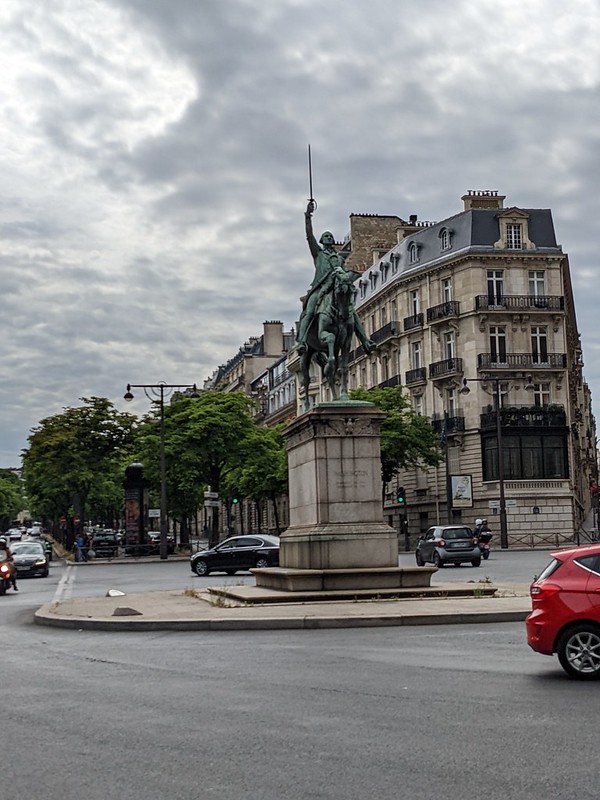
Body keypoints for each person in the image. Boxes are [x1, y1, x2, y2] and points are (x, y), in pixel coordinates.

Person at [296, 201, 376, 355]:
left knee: (351, 312)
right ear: (322, 240)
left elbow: (343, 274)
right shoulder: (318, 254)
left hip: (335, 288)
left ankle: (365, 341)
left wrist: (345, 276)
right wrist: (308, 216)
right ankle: (302, 341)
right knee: (310, 309)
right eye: (325, 236)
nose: (328, 237)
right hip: (320, 289)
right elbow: (309, 235)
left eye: (330, 236)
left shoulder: (339, 259)